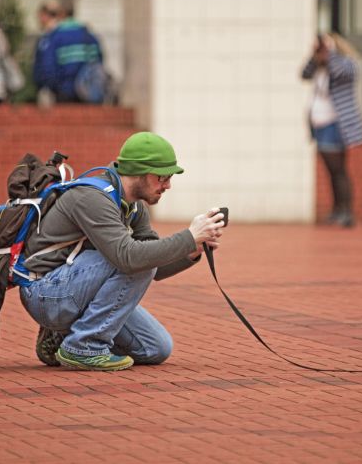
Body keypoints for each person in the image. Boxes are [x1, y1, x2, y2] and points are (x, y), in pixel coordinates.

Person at [19, 132, 226, 371]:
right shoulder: (92, 198)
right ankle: (83, 346)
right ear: (141, 171)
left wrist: (192, 250)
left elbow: (154, 267)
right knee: (134, 257)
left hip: (73, 288)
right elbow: (130, 258)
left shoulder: (135, 206)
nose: (168, 185)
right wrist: (188, 236)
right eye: (163, 177)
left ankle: (61, 336)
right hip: (45, 293)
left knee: (156, 347)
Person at [301, 33, 362, 227]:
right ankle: (337, 209)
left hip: (336, 125)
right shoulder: (319, 67)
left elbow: (340, 72)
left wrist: (330, 53)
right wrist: (315, 55)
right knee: (331, 171)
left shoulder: (347, 63)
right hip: (320, 126)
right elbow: (304, 74)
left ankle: (346, 212)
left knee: (338, 170)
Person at [33, 2, 104, 103]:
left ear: (61, 15)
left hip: (65, 92)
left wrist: (50, 87)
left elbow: (48, 67)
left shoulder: (54, 37)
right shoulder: (89, 35)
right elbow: (99, 61)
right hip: (89, 92)